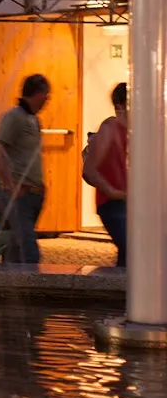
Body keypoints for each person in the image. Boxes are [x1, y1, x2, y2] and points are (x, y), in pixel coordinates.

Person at [0, 73, 51, 264]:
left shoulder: (33, 120)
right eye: (45, 95)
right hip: (18, 194)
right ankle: (33, 288)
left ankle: (9, 286)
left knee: (15, 248)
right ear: (36, 93)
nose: (47, 100)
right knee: (28, 250)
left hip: (30, 193)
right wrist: (10, 185)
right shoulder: (14, 117)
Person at [83, 82, 127, 266]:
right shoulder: (110, 129)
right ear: (120, 106)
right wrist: (111, 191)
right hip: (112, 204)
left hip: (129, 203)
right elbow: (88, 170)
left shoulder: (137, 132)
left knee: (131, 253)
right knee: (134, 248)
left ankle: (120, 289)